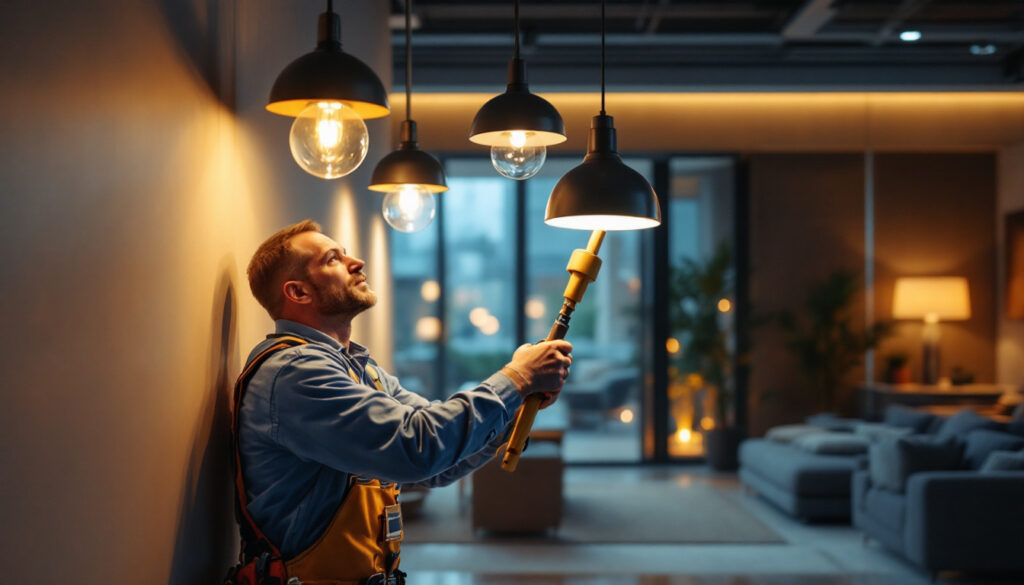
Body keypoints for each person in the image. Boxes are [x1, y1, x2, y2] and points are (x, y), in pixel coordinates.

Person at [233, 219, 572, 585]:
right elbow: (417, 446)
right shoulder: (295, 373)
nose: (357, 262)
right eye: (333, 259)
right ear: (298, 292)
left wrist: (514, 410)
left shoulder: (363, 372)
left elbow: (436, 465)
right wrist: (517, 379)